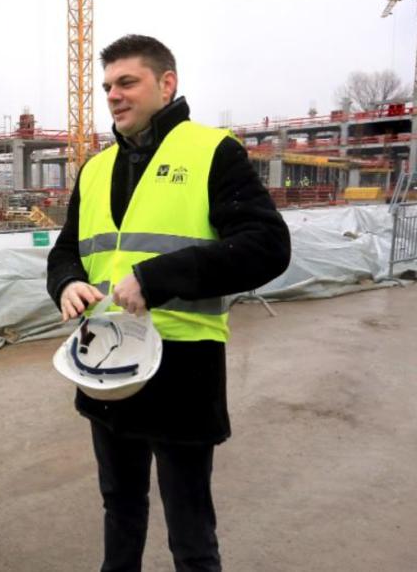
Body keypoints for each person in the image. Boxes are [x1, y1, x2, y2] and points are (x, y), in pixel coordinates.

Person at [46, 35, 290, 571]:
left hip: (182, 367)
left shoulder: (211, 151)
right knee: (120, 507)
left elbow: (268, 247)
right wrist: (66, 283)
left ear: (167, 84)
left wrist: (157, 278)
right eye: (107, 85)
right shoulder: (94, 168)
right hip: (106, 363)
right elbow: (67, 250)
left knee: (190, 530)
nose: (113, 95)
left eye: (127, 82)